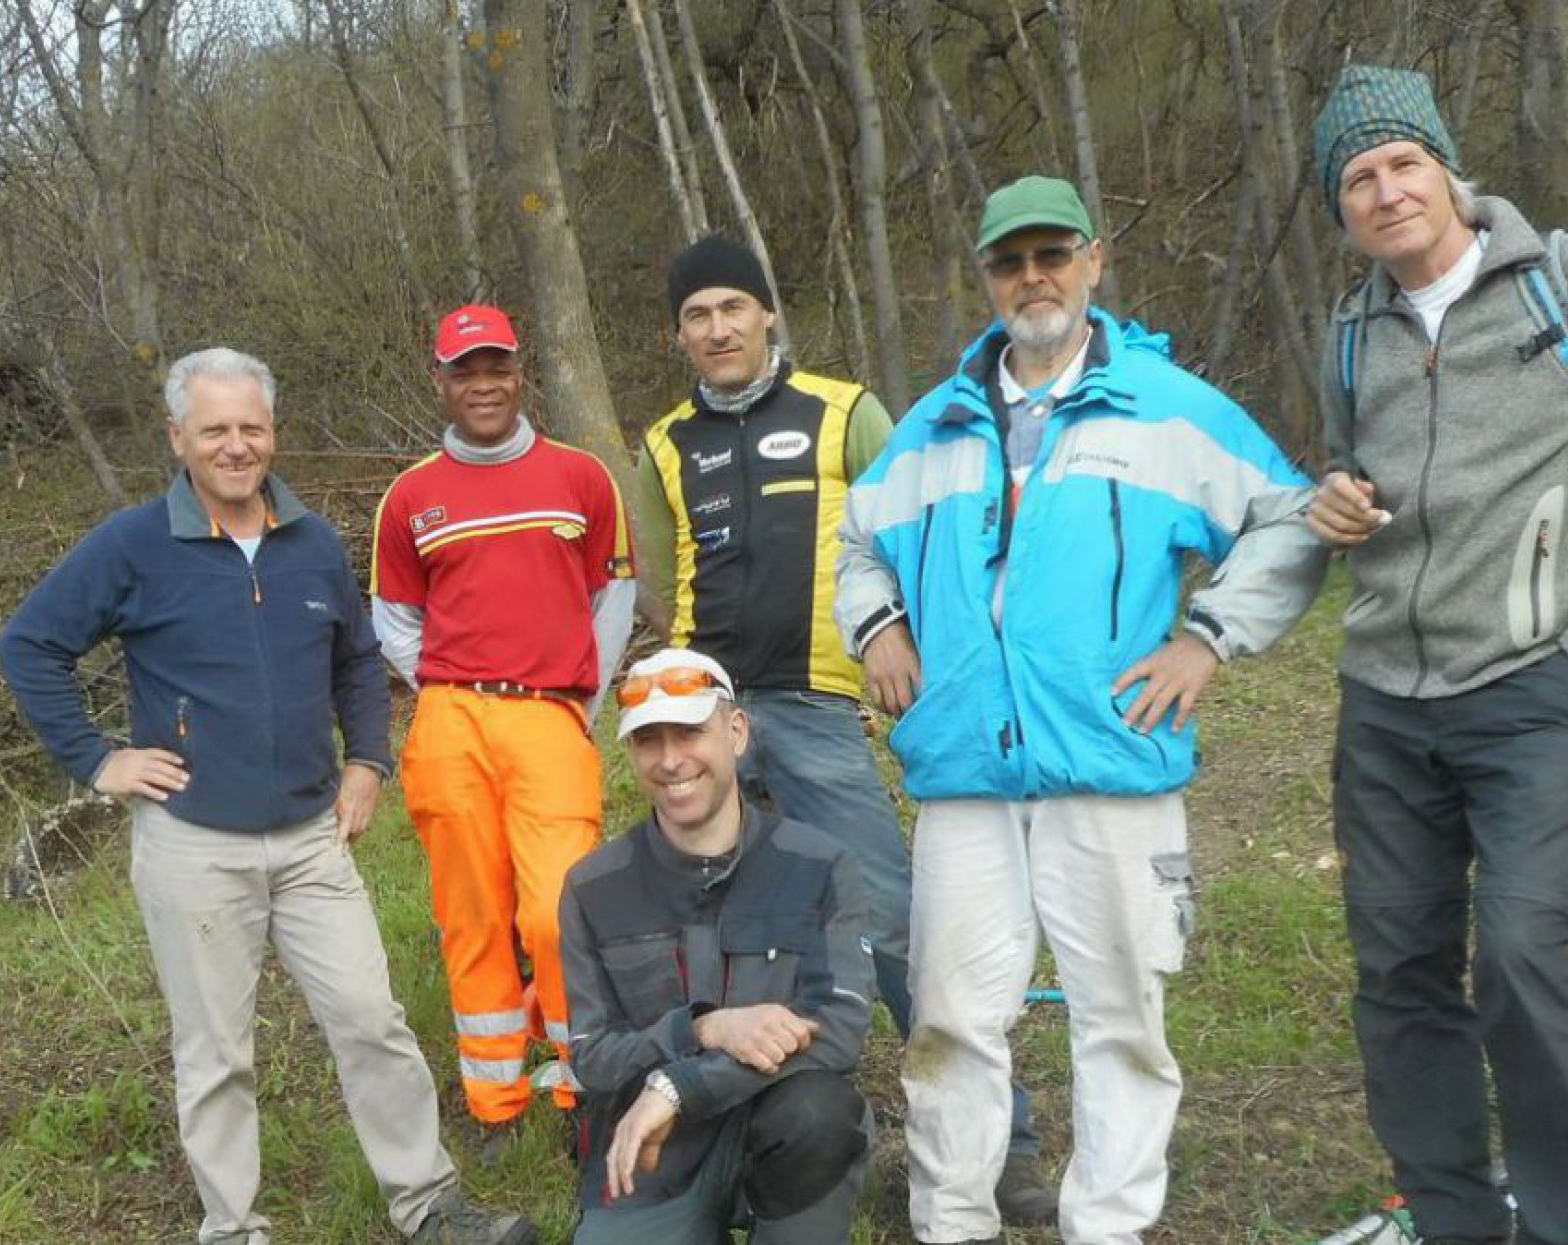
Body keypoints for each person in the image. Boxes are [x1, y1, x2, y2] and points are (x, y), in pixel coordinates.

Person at [835, 175, 1319, 1245]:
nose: (1032, 277)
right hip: (964, 772)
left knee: (1121, 1022)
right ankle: (951, 1222)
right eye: (1010, 261)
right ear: (986, 278)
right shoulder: (931, 424)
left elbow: (1290, 517)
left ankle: (1106, 1225)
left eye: (1052, 255)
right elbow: (856, 541)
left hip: (1109, 763)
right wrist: (879, 631)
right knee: (950, 1021)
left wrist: (1207, 637)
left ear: (1093, 261)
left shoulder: (1168, 408)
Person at [0, 348, 530, 1245]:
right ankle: (233, 1227)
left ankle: (429, 1204)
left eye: (252, 427)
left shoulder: (313, 542)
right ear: (178, 437)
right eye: (215, 429)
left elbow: (357, 659)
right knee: (215, 1054)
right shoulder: (133, 545)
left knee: (373, 1021)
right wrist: (96, 761)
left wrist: (367, 761)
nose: (237, 446)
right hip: (192, 843)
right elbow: (29, 646)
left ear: (272, 432)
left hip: (313, 836)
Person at [1305, 65, 1568, 1244]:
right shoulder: (1347, 330)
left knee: (1523, 953)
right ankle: (1452, 1216)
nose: (1384, 192)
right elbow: (1340, 473)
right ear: (1342, 209)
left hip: (1529, 687)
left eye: (1401, 164)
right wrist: (1328, 501)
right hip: (1382, 696)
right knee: (1400, 974)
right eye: (1357, 178)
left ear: (1446, 169)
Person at [631, 235, 1055, 1222]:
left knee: (899, 927)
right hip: (706, 722)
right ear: (678, 334)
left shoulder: (843, 411)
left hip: (820, 711)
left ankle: (1001, 1147)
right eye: (696, 315)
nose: (717, 328)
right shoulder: (660, 446)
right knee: (726, 935)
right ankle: (751, 1145)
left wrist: (892, 644)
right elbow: (657, 580)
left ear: (767, 315)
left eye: (733, 307)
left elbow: (911, 535)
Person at [372, 304, 637, 1147]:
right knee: (472, 912)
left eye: (496, 367)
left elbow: (614, 597)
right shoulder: (411, 495)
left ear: (519, 372)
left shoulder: (580, 476)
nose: (482, 384)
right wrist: (451, 687)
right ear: (440, 379)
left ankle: (577, 1084)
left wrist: (575, 697)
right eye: (464, 370)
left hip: (550, 713)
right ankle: (497, 1099)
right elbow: (394, 615)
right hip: (451, 720)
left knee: (561, 912)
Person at [560, 648, 875, 1244]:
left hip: (780, 1123)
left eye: (690, 733)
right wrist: (704, 1031)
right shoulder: (592, 887)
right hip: (653, 1151)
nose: (671, 760)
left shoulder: (820, 865)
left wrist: (681, 1085)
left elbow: (839, 1028)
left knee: (822, 1112)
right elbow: (592, 1056)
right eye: (649, 741)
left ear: (736, 732)